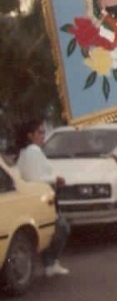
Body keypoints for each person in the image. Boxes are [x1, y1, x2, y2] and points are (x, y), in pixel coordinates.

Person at [15, 119, 70, 277]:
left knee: (49, 229)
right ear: (30, 135)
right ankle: (52, 262)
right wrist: (56, 179)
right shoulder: (33, 151)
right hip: (41, 196)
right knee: (61, 228)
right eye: (39, 132)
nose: (43, 135)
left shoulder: (24, 152)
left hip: (32, 197)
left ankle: (50, 264)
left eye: (43, 132)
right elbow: (37, 177)